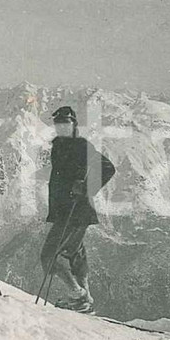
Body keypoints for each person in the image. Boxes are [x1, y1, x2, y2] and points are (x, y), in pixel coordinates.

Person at [41, 106, 116, 312]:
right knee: (76, 254)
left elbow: (108, 167)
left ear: (74, 124)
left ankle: (78, 294)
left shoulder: (81, 146)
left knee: (48, 256)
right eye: (59, 124)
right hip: (67, 211)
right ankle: (85, 298)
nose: (62, 127)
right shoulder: (58, 146)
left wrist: (86, 187)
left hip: (76, 211)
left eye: (66, 123)